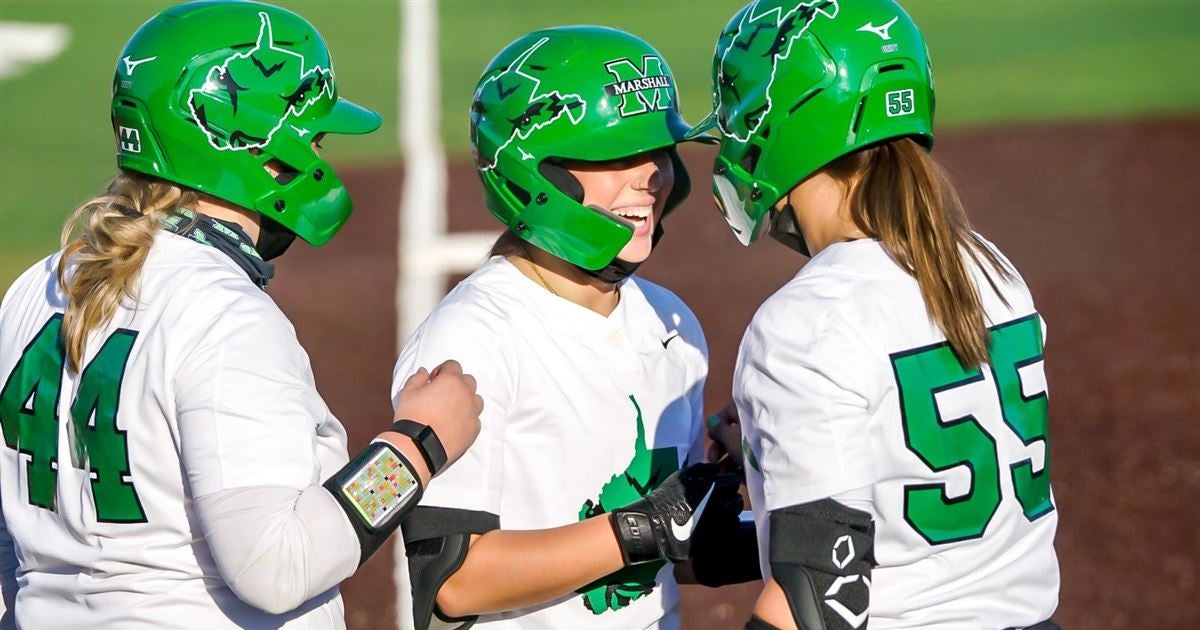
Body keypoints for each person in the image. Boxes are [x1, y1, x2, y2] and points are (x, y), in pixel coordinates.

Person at [0, 2, 481, 628]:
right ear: (252, 145)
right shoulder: (221, 315)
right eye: (310, 137)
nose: (319, 155)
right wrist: (417, 444)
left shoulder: (38, 287)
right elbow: (276, 568)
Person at [694, 1, 1060, 629]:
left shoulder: (805, 321)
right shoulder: (989, 267)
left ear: (781, 125)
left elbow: (818, 602)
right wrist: (769, 449)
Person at [392, 26, 746, 630]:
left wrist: (756, 492)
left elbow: (663, 557)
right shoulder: (473, 338)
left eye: (658, 152)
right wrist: (647, 525)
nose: (651, 177)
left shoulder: (671, 323)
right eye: (613, 157)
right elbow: (454, 580)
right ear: (537, 173)